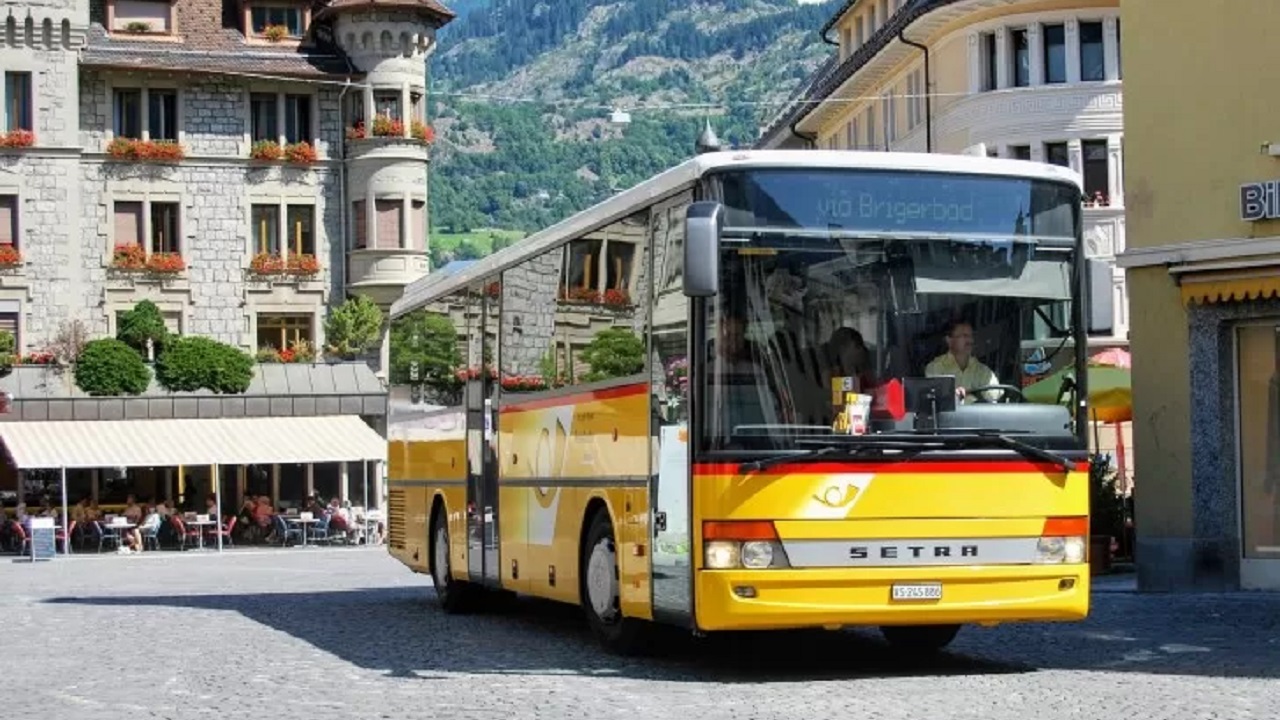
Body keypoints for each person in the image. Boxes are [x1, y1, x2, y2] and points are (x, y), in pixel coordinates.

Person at [925, 319, 1000, 403]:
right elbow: (934, 399)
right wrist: (953, 395)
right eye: (964, 336)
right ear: (949, 340)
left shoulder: (982, 370)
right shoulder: (935, 368)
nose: (970, 341)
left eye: (971, 336)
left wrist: (978, 395)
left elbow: (994, 396)